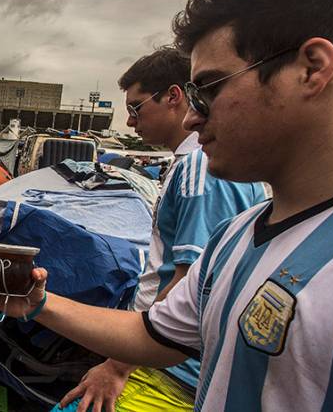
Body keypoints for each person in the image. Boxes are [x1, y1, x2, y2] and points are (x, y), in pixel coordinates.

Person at [0, 0, 333, 411]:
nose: (192, 116)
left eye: (209, 88)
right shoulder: (238, 236)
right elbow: (154, 334)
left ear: (311, 69)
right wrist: (36, 303)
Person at [59, 48, 266, 412]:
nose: (129, 122)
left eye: (136, 108)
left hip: (169, 367)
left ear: (173, 97)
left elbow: (189, 282)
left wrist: (117, 366)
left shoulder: (199, 169)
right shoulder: (204, 166)